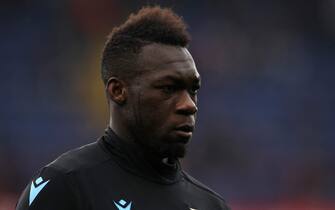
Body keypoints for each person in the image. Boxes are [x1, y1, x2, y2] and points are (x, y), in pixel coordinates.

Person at [16, 6, 230, 210]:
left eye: (193, 90)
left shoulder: (210, 204)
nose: (189, 105)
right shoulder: (64, 186)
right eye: (167, 88)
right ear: (118, 91)